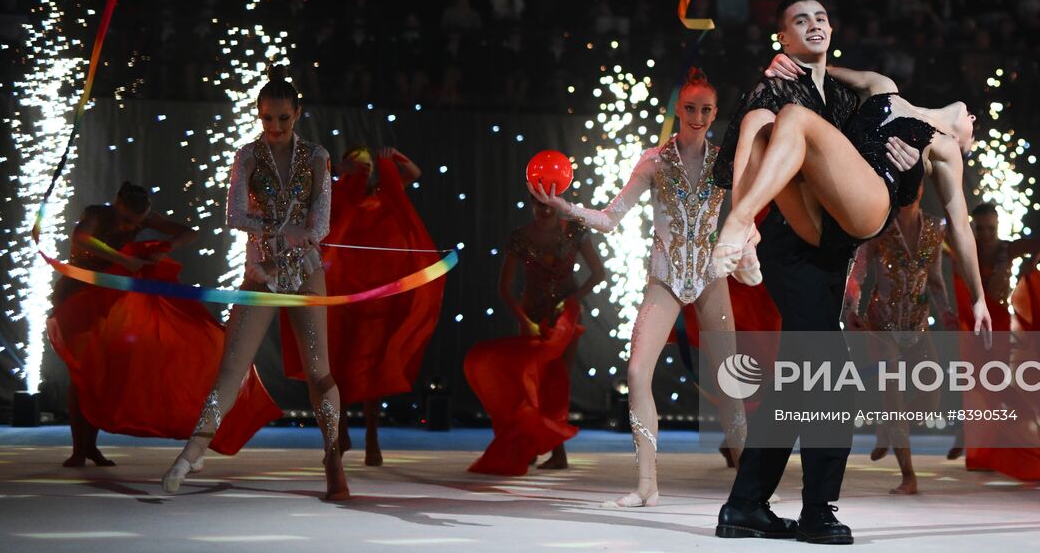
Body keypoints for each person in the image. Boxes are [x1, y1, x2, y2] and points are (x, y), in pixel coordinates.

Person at [712, 0, 991, 545]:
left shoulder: (848, 94)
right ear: (783, 39)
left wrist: (911, 170)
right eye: (799, 20)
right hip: (794, 245)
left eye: (821, 17)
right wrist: (739, 214)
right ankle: (816, 511)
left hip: (835, 242)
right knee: (828, 381)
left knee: (798, 386)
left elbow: (922, 200)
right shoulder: (778, 83)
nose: (814, 24)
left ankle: (745, 506)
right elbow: (738, 149)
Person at [530, 69, 748, 507]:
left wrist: (747, 252)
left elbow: (746, 216)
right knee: (635, 373)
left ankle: (750, 487)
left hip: (710, 277)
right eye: (690, 108)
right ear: (677, 110)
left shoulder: (727, 161)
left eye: (706, 109)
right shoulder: (654, 162)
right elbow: (611, 218)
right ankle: (647, 484)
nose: (698, 116)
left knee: (730, 382)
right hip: (664, 278)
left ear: (716, 112)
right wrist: (564, 207)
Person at [161, 74, 347, 500]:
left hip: (304, 273)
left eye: (283, 118)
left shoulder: (317, 157)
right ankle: (193, 452)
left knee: (319, 371)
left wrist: (301, 233)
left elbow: (321, 224)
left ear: (298, 113)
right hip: (261, 272)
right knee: (231, 369)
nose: (275, 127)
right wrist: (280, 227)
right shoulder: (247, 155)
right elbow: (234, 215)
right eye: (267, 118)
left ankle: (333, 457)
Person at [49, 183, 281, 467]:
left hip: (110, 298)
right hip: (80, 294)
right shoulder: (97, 214)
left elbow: (188, 233)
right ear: (117, 206)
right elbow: (81, 238)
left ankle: (90, 447)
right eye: (127, 221)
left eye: (137, 222)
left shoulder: (145, 219)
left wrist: (165, 248)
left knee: (104, 368)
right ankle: (78, 448)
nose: (131, 227)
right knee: (82, 370)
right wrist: (122, 259)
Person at [280, 146, 441, 467]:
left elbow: (414, 174)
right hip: (339, 293)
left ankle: (372, 436)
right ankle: (340, 432)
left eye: (368, 164)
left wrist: (394, 157)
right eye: (361, 164)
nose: (366, 170)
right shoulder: (335, 195)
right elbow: (318, 182)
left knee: (370, 368)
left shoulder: (384, 193)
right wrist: (344, 168)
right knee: (336, 364)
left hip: (375, 296)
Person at [946, 204, 1040, 481]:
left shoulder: (1007, 249)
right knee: (976, 381)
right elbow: (939, 235)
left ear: (998, 226)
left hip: (997, 323)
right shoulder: (966, 247)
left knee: (993, 382)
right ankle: (978, 436)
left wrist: (1032, 259)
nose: (986, 234)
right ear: (972, 227)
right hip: (970, 325)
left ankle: (988, 434)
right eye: (980, 228)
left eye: (991, 228)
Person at [464, 190, 603, 474]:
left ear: (558, 205)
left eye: (550, 205)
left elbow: (599, 272)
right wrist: (525, 320)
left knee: (557, 383)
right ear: (531, 204)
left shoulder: (574, 231)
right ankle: (527, 446)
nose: (545, 211)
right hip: (532, 317)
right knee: (530, 385)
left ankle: (558, 451)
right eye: (539, 205)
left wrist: (574, 298)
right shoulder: (520, 236)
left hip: (564, 319)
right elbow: (504, 288)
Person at [841, 181, 954, 495]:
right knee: (893, 397)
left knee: (931, 399)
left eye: (917, 182)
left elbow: (935, 278)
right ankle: (908, 475)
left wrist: (946, 313)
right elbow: (859, 270)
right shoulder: (880, 224)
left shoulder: (934, 226)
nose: (912, 189)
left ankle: (888, 427)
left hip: (917, 323)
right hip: (883, 323)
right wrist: (852, 306)